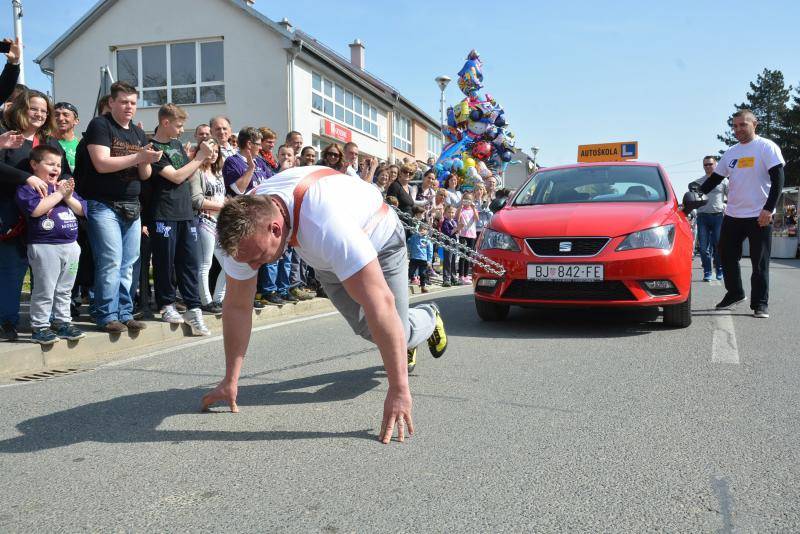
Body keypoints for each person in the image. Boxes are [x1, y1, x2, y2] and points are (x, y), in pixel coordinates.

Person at [200, 166, 448, 444]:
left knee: (394, 330)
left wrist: (399, 389)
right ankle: (405, 338)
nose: (254, 267)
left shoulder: (323, 223)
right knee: (370, 330)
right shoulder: (243, 229)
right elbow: (237, 306)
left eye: (258, 258)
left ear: (275, 228)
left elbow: (381, 304)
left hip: (380, 239)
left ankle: (428, 315)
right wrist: (230, 379)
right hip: (326, 259)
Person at [77, 81, 162, 333]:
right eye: (123, 101)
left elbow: (144, 175)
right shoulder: (100, 125)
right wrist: (139, 156)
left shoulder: (136, 132)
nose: (129, 107)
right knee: (111, 261)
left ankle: (125, 312)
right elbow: (101, 163)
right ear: (111, 102)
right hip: (103, 205)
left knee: (129, 263)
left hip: (132, 205)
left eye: (133, 103)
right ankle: (106, 315)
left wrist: (149, 160)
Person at [699, 109, 785, 318]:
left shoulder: (766, 147)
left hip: (759, 216)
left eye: (743, 125)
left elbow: (778, 181)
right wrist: (693, 197)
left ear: (754, 124)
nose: (738, 129)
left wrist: (768, 209)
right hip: (734, 215)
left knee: (759, 262)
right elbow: (713, 181)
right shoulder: (731, 153)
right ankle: (735, 293)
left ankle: (760, 304)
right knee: (726, 254)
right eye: (735, 126)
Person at [0, 89, 71, 340]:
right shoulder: (7, 136)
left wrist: (65, 195)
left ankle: (48, 322)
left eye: (44, 110)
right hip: (11, 213)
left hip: (47, 216)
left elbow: (65, 175)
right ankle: (7, 322)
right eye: (34, 108)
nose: (40, 114)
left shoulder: (50, 142)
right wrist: (27, 177)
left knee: (49, 274)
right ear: (21, 109)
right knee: (13, 269)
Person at [148, 103, 214, 335]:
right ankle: (166, 304)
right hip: (164, 212)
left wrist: (199, 159)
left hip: (186, 212)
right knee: (165, 261)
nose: (181, 130)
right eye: (178, 125)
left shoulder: (176, 144)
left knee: (190, 262)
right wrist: (199, 157)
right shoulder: (152, 148)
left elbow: (187, 174)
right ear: (165, 123)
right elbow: (176, 177)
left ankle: (193, 308)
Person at [15, 145, 86, 344]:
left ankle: (63, 322)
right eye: (50, 164)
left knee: (65, 288)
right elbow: (36, 210)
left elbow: (81, 210)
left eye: (58, 165)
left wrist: (68, 195)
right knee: (45, 288)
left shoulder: (63, 189)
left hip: (71, 246)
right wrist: (59, 194)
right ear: (34, 165)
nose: (55, 168)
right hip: (44, 246)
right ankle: (40, 326)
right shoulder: (30, 188)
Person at [192, 139, 227, 314]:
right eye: (210, 150)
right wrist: (223, 206)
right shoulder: (197, 171)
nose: (213, 154)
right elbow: (197, 200)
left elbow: (222, 197)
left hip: (220, 224)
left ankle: (218, 299)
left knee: (228, 263)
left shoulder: (218, 173)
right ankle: (206, 301)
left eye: (216, 151)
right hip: (204, 221)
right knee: (205, 264)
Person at [690, 156, 727, 281]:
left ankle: (720, 270)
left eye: (710, 164)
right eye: (705, 164)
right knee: (703, 247)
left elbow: (732, 197)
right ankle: (707, 272)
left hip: (718, 217)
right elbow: (692, 199)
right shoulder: (698, 182)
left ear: (715, 165)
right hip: (703, 217)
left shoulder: (724, 181)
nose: (708, 167)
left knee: (718, 245)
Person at [222, 127, 273, 196]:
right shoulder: (232, 162)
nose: (261, 148)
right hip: (243, 205)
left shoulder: (259, 161)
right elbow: (238, 189)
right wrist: (251, 168)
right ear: (249, 144)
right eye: (258, 144)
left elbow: (271, 183)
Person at [407, 206, 434, 297]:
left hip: (423, 258)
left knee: (423, 273)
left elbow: (430, 250)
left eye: (424, 230)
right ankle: (412, 278)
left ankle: (423, 286)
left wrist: (429, 260)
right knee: (411, 271)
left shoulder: (427, 240)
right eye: (421, 229)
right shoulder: (415, 237)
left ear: (427, 231)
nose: (422, 231)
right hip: (414, 257)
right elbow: (409, 242)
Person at [456, 191, 478, 283]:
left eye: (469, 200)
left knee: (469, 255)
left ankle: (466, 275)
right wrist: (460, 208)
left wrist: (473, 209)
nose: (467, 201)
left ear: (472, 200)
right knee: (463, 255)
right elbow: (457, 218)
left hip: (472, 234)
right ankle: (461, 275)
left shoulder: (473, 209)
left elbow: (477, 219)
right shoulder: (461, 209)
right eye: (465, 199)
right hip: (463, 234)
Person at [53, 102, 80, 173]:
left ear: (76, 121)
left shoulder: (82, 144)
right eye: (56, 115)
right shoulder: (45, 142)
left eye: (66, 115)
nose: (60, 118)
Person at [440, 205, 459, 287]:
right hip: (448, 242)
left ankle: (453, 278)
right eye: (449, 212)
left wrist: (458, 229)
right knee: (448, 260)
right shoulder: (445, 222)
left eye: (452, 212)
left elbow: (456, 233)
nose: (451, 214)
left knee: (453, 260)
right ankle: (446, 279)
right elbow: (448, 233)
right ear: (445, 213)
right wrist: (456, 229)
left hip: (454, 242)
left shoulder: (454, 221)